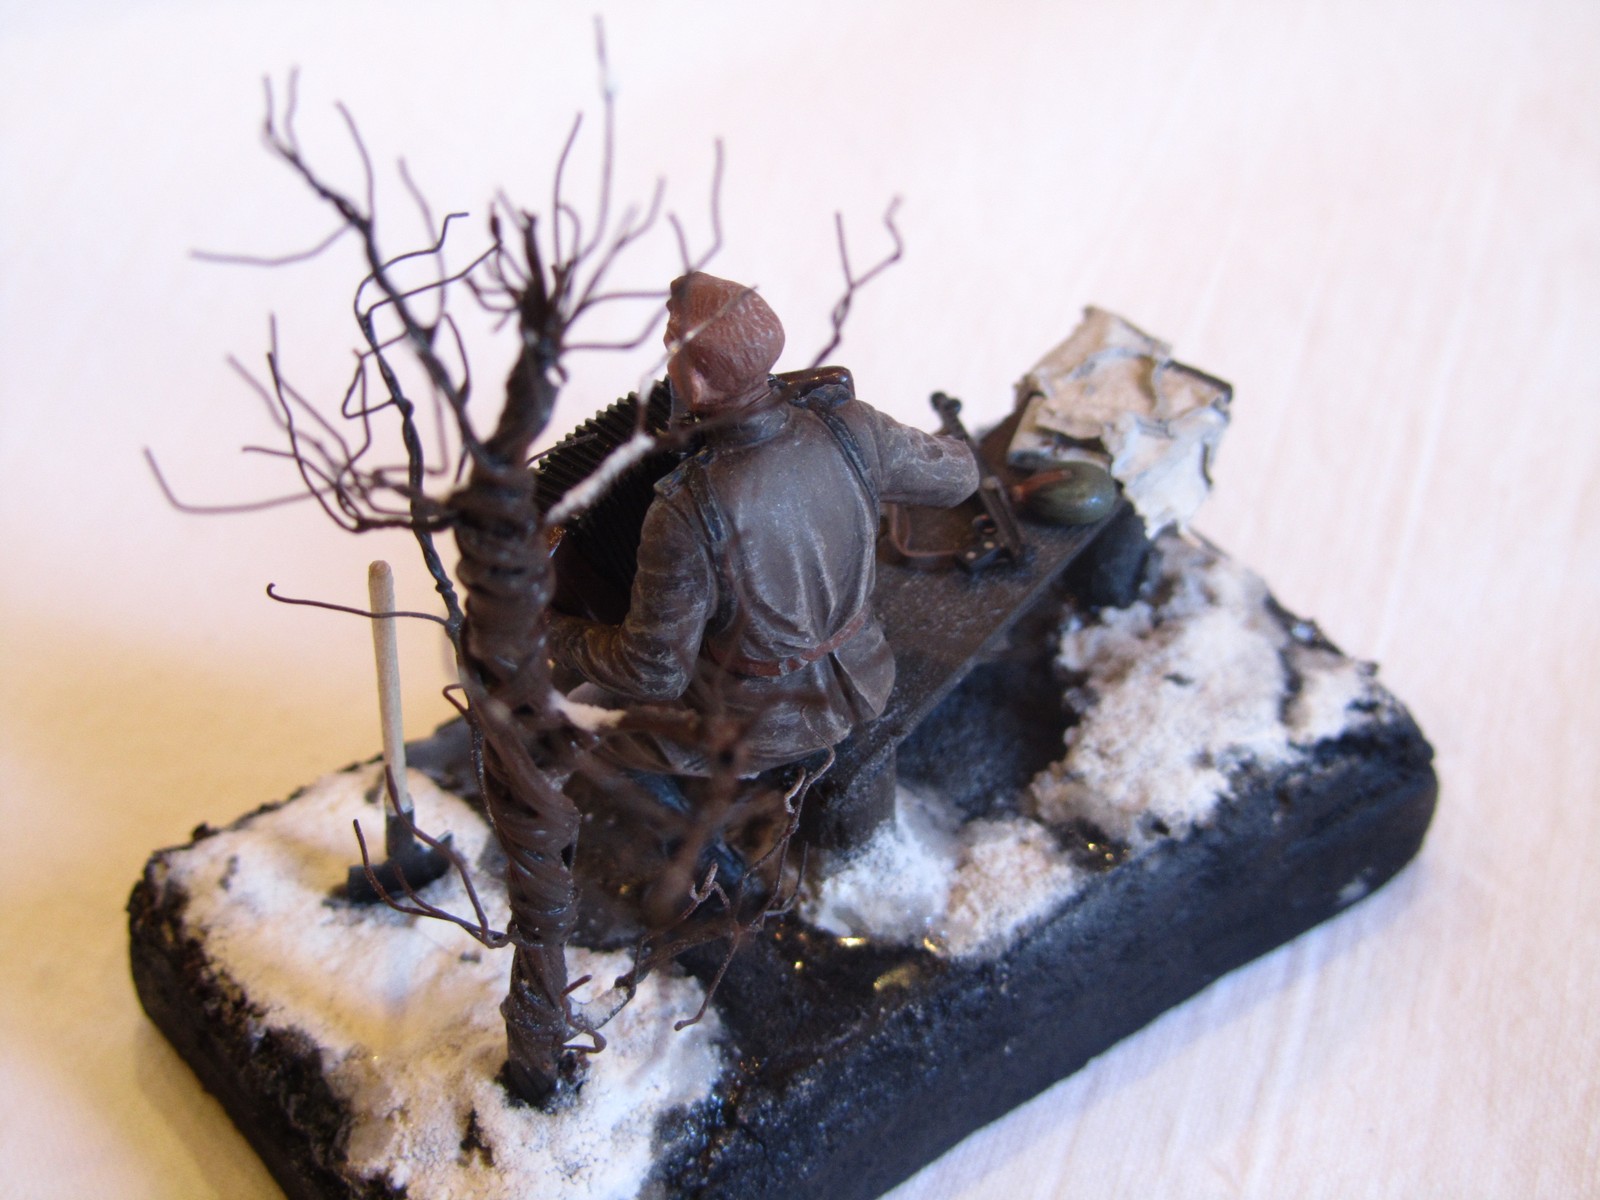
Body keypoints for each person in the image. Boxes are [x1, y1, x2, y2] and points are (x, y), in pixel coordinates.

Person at [549, 271, 978, 778]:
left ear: (698, 380)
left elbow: (654, 672)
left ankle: (695, 812)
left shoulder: (685, 510)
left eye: (672, 350)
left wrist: (553, 631)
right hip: (866, 674)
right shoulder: (854, 427)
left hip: (761, 729)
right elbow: (960, 476)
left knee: (580, 716)